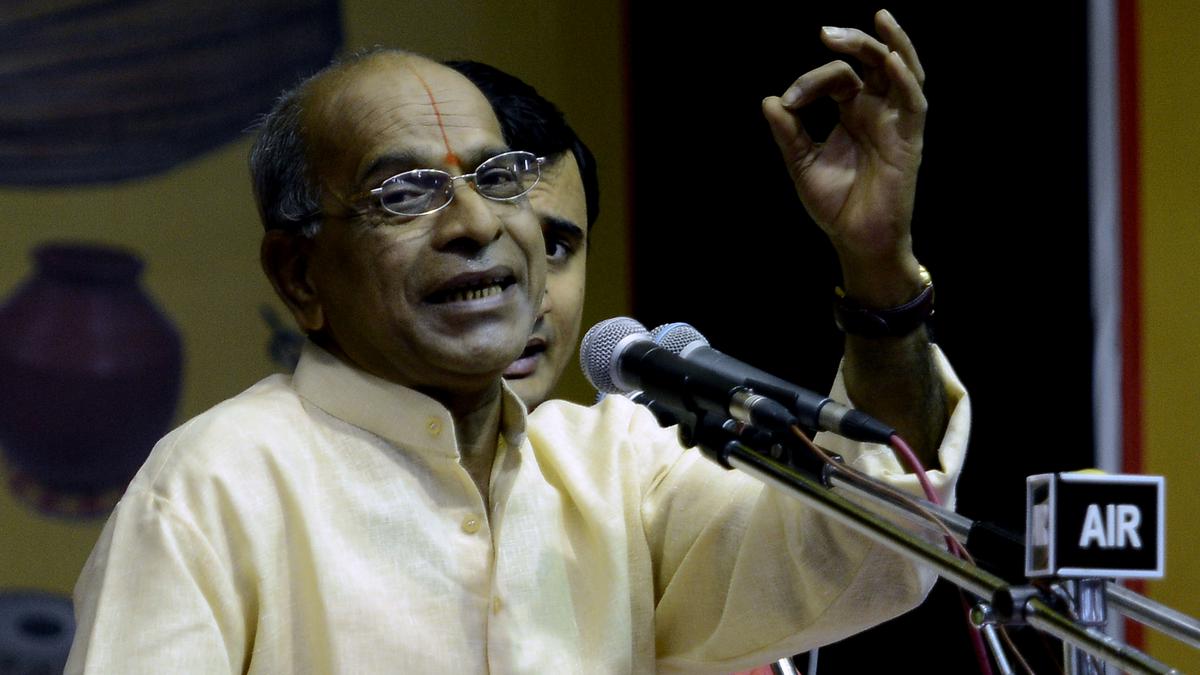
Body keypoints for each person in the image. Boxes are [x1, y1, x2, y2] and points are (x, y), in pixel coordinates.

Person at [67, 11, 970, 672]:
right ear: (299, 275)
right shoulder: (211, 489)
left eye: (500, 178)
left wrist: (878, 269)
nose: (476, 224)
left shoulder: (616, 469)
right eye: (404, 193)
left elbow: (877, 547)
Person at [443, 60, 599, 410]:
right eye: (484, 247)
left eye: (554, 248)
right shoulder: (311, 444)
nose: (534, 303)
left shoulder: (618, 440)